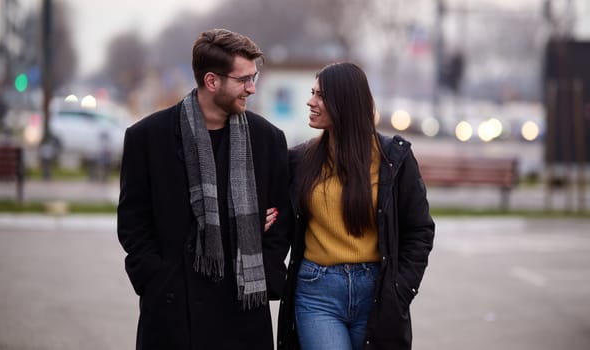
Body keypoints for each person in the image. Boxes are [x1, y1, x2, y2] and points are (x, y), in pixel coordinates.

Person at [117, 28, 290, 350]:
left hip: (244, 306)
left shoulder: (268, 140)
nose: (252, 89)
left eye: (254, 78)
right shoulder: (147, 138)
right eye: (243, 80)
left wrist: (266, 276)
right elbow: (132, 222)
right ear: (212, 81)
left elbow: (283, 219)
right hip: (174, 310)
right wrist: (155, 279)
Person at [277, 62, 435, 350]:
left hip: (377, 291)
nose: (310, 102)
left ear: (345, 102)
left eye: (320, 95)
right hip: (316, 293)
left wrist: (401, 290)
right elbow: (281, 217)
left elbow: (420, 230)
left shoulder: (393, 159)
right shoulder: (299, 161)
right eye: (312, 93)